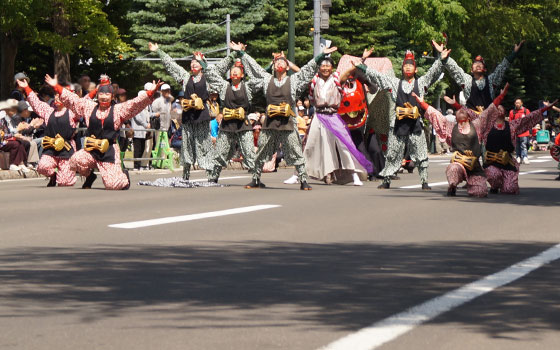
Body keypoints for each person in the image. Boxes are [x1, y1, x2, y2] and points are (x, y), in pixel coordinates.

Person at [241, 46, 338, 190]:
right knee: (262, 149)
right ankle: (255, 178)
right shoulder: (267, 79)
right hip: (270, 121)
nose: (279, 63)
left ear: (287, 66)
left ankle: (303, 180)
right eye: (276, 62)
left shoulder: (294, 80)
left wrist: (321, 56)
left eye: (283, 62)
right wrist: (241, 53)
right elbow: (255, 68)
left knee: (296, 150)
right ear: (273, 66)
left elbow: (307, 69)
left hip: (288, 121)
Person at [46, 73, 163, 190]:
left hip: (109, 151)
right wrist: (56, 86)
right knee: (75, 160)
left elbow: (134, 104)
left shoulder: (118, 109)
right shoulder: (89, 107)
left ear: (112, 96)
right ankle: (89, 176)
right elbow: (73, 100)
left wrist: (150, 93)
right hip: (91, 149)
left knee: (113, 185)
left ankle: (124, 177)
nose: (104, 96)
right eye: (101, 93)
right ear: (97, 95)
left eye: (107, 94)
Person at [356, 42, 448, 189]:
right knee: (392, 153)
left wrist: (441, 59)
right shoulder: (395, 82)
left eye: (411, 65)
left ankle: (424, 181)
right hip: (398, 123)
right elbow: (378, 77)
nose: (408, 67)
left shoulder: (422, 82)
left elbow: (433, 72)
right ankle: (386, 180)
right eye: (405, 65)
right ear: (402, 68)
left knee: (421, 152)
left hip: (415, 123)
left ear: (415, 68)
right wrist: (362, 65)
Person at [414, 84, 509, 197]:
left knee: (480, 193)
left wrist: (501, 96)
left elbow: (489, 111)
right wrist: (421, 103)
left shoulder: (477, 125)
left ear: (469, 117)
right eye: (458, 111)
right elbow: (435, 114)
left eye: (464, 111)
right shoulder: (450, 126)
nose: (461, 112)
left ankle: (474, 184)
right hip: (459, 163)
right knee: (452, 168)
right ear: (455, 116)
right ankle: (453, 185)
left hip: (474, 166)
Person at [303, 55, 373, 186]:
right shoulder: (314, 80)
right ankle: (300, 174)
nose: (325, 68)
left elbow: (349, 71)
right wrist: (288, 64)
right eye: (323, 66)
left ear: (331, 68)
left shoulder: (336, 79)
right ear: (319, 68)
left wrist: (361, 59)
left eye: (328, 66)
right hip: (318, 116)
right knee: (311, 145)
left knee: (344, 145)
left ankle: (354, 175)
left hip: (333, 115)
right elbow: (300, 73)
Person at [149, 42, 214, 181]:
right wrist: (159, 51)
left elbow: (211, 71)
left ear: (202, 65)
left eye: (196, 63)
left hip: (202, 116)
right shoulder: (185, 77)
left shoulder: (207, 77)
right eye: (191, 63)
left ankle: (210, 174)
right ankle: (185, 174)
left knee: (205, 145)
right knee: (187, 145)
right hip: (188, 116)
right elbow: (171, 65)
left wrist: (203, 61)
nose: (193, 64)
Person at [203, 43, 260, 183]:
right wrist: (233, 55)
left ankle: (256, 178)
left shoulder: (248, 87)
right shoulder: (224, 86)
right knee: (221, 152)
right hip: (227, 124)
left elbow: (260, 76)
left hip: (243, 124)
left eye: (237, 71)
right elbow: (210, 74)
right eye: (232, 70)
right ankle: (213, 177)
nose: (234, 72)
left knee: (248, 151)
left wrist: (242, 55)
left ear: (242, 74)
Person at [484, 99, 557, 194]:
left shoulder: (511, 125)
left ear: (504, 112)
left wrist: (545, 109)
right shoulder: (487, 125)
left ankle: (506, 181)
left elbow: (529, 118)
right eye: (497, 109)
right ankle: (495, 184)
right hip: (491, 161)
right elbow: (475, 116)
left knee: (509, 190)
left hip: (507, 161)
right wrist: (457, 104)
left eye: (501, 109)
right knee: (492, 176)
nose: (499, 111)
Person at [17, 78, 79, 186]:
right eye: (56, 95)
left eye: (60, 95)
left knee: (65, 182)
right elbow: (36, 103)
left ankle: (63, 174)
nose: (57, 97)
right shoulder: (49, 111)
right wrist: (26, 88)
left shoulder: (73, 112)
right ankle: (53, 176)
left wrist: (60, 88)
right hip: (51, 147)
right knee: (42, 167)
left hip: (66, 148)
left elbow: (77, 102)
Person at [444, 41, 524, 112]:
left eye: (481, 63)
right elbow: (454, 69)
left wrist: (514, 53)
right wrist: (445, 57)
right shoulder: (467, 80)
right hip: (472, 120)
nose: (478, 64)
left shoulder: (491, 80)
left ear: (485, 69)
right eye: (475, 63)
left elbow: (502, 67)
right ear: (471, 70)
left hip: (488, 120)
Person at [0, 99, 29, 172]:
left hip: (6, 139)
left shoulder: (10, 118)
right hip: (2, 141)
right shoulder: (2, 118)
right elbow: (3, 134)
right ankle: (13, 163)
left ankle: (22, 163)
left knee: (21, 142)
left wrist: (16, 134)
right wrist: (15, 132)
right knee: (16, 144)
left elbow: (10, 131)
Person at [508, 98, 531, 164]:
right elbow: (510, 122)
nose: (517, 104)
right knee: (517, 145)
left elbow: (529, 121)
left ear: (521, 103)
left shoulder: (526, 111)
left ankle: (525, 157)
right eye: (516, 103)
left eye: (518, 103)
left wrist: (530, 131)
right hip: (516, 132)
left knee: (523, 145)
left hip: (524, 131)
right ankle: (518, 156)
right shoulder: (512, 112)